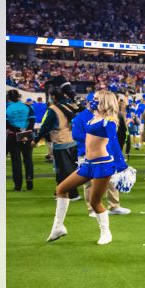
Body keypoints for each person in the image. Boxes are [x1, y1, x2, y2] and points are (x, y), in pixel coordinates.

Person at [46, 91, 129, 245]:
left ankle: (106, 232)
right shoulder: (93, 117)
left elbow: (114, 143)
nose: (92, 101)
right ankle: (58, 227)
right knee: (61, 189)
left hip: (102, 165)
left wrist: (121, 167)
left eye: (96, 99)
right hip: (87, 164)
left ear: (104, 101)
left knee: (94, 202)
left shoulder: (109, 121)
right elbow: (78, 131)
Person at [36, 85, 80, 201]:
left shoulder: (54, 109)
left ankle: (72, 193)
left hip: (61, 142)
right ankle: (60, 192)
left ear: (53, 97)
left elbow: (45, 127)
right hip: (73, 140)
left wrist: (35, 140)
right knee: (68, 168)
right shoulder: (71, 105)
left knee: (64, 170)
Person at [6, 89, 35, 191]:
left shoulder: (6, 108)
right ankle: (29, 179)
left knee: (16, 161)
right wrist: (25, 131)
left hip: (13, 136)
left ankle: (18, 185)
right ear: (18, 96)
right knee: (28, 159)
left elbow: (6, 124)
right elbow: (32, 120)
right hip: (26, 135)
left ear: (8, 97)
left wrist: (17, 130)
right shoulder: (27, 107)